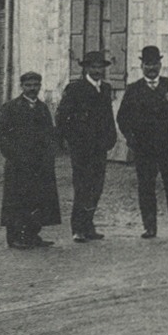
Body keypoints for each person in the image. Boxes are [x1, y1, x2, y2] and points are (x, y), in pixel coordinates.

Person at [116, 45, 168, 240]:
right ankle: (150, 228)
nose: (151, 68)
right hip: (145, 149)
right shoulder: (134, 90)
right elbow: (122, 118)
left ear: (160, 65)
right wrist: (132, 140)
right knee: (146, 188)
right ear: (141, 66)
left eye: (155, 64)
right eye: (147, 64)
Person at [0, 71, 61, 250]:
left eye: (35, 85)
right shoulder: (11, 107)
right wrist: (14, 155)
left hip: (39, 164)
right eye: (28, 85)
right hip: (18, 164)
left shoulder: (42, 108)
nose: (32, 89)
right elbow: (0, 135)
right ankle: (14, 237)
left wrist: (49, 154)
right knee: (16, 200)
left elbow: (49, 134)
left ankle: (32, 234)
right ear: (22, 87)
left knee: (37, 199)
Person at [57, 50, 118, 242]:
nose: (97, 70)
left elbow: (108, 116)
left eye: (100, 67)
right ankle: (78, 228)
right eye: (93, 66)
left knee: (96, 187)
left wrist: (111, 137)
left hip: (100, 147)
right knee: (82, 186)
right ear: (86, 68)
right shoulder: (75, 89)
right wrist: (71, 139)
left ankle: (89, 225)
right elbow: (62, 116)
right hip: (82, 147)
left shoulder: (106, 89)